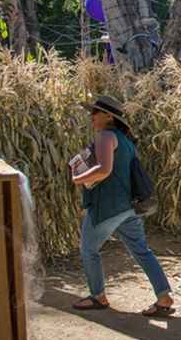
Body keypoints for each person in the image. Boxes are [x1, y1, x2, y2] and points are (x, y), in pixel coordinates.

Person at [71, 96, 174, 317]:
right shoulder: (125, 139)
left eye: (96, 112)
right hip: (128, 206)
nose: (92, 116)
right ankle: (164, 298)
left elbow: (104, 170)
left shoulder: (105, 136)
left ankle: (98, 296)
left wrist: (77, 179)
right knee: (141, 251)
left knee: (89, 250)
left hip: (107, 207)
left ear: (109, 117)